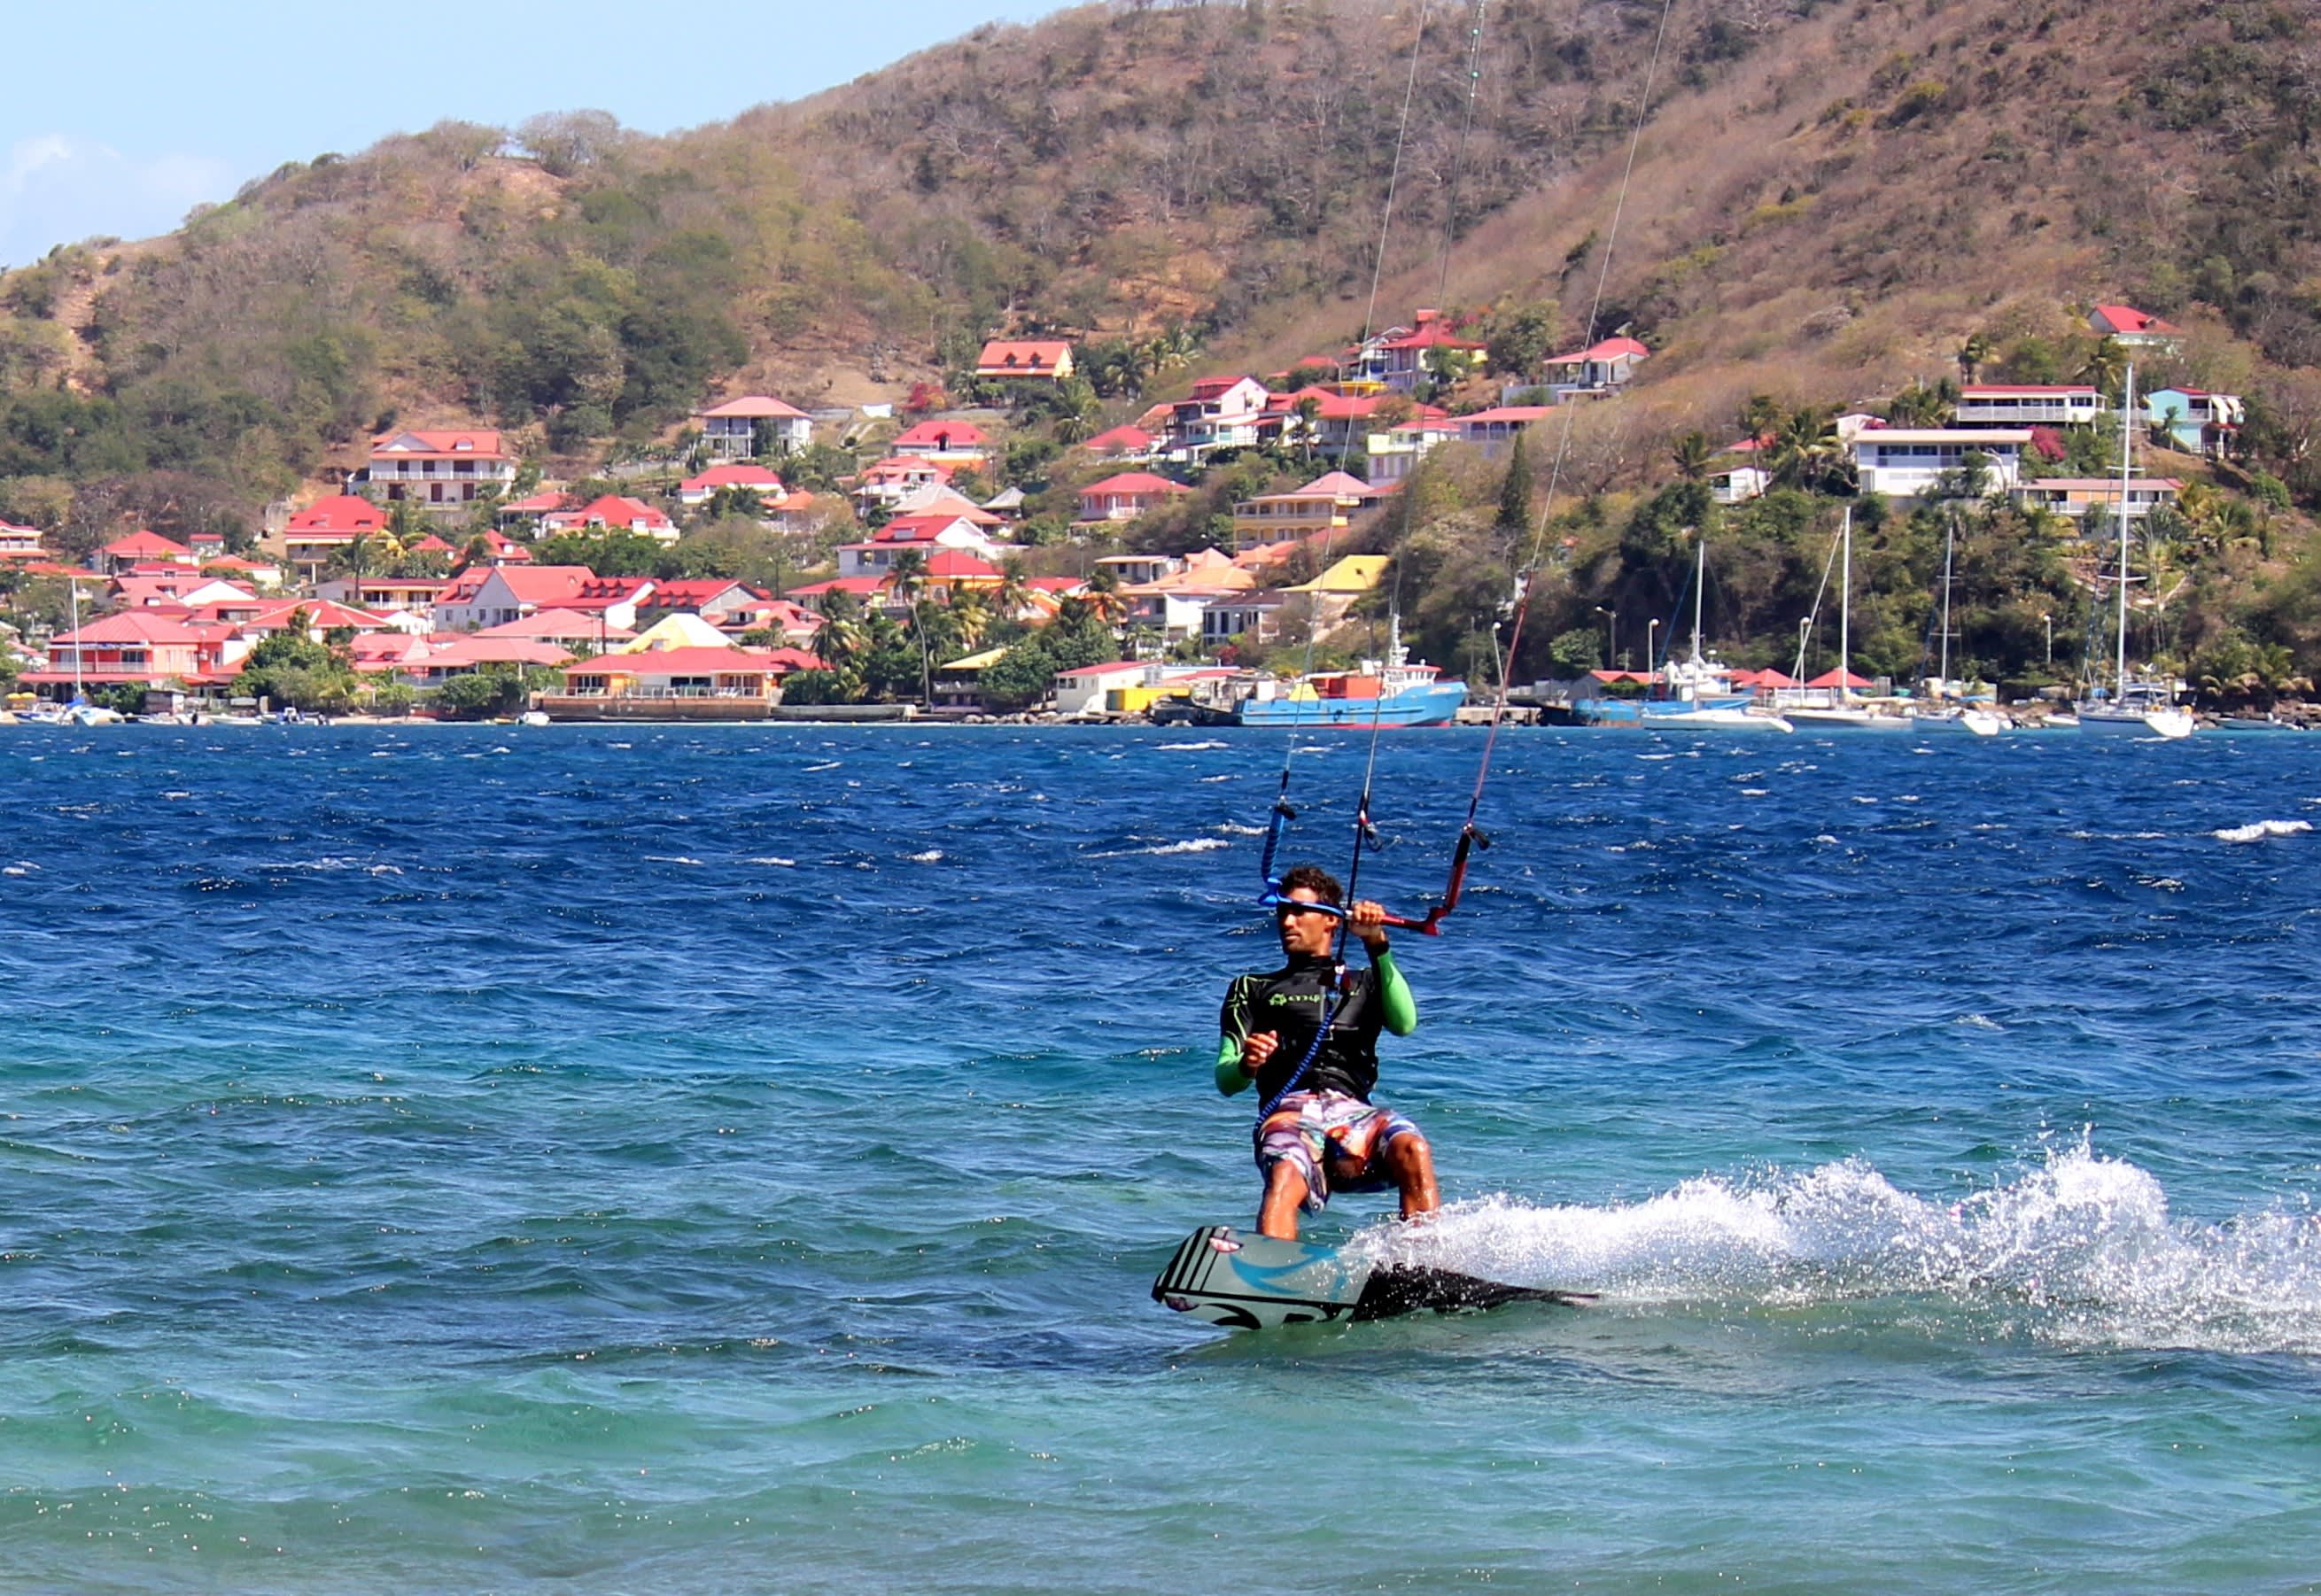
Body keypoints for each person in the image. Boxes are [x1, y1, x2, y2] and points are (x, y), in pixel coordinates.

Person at [1215, 863, 1439, 1241]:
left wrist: (1376, 944)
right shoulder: (1251, 987)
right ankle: (1272, 1272)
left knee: (1411, 1147)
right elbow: (1225, 1078)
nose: (1287, 921)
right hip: (1288, 1114)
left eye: (1299, 911)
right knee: (1285, 1171)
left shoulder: (1365, 983)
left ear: (1332, 921)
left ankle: (1426, 1260)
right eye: (1283, 911)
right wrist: (1248, 1064)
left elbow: (1405, 1023)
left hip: (1354, 1118)